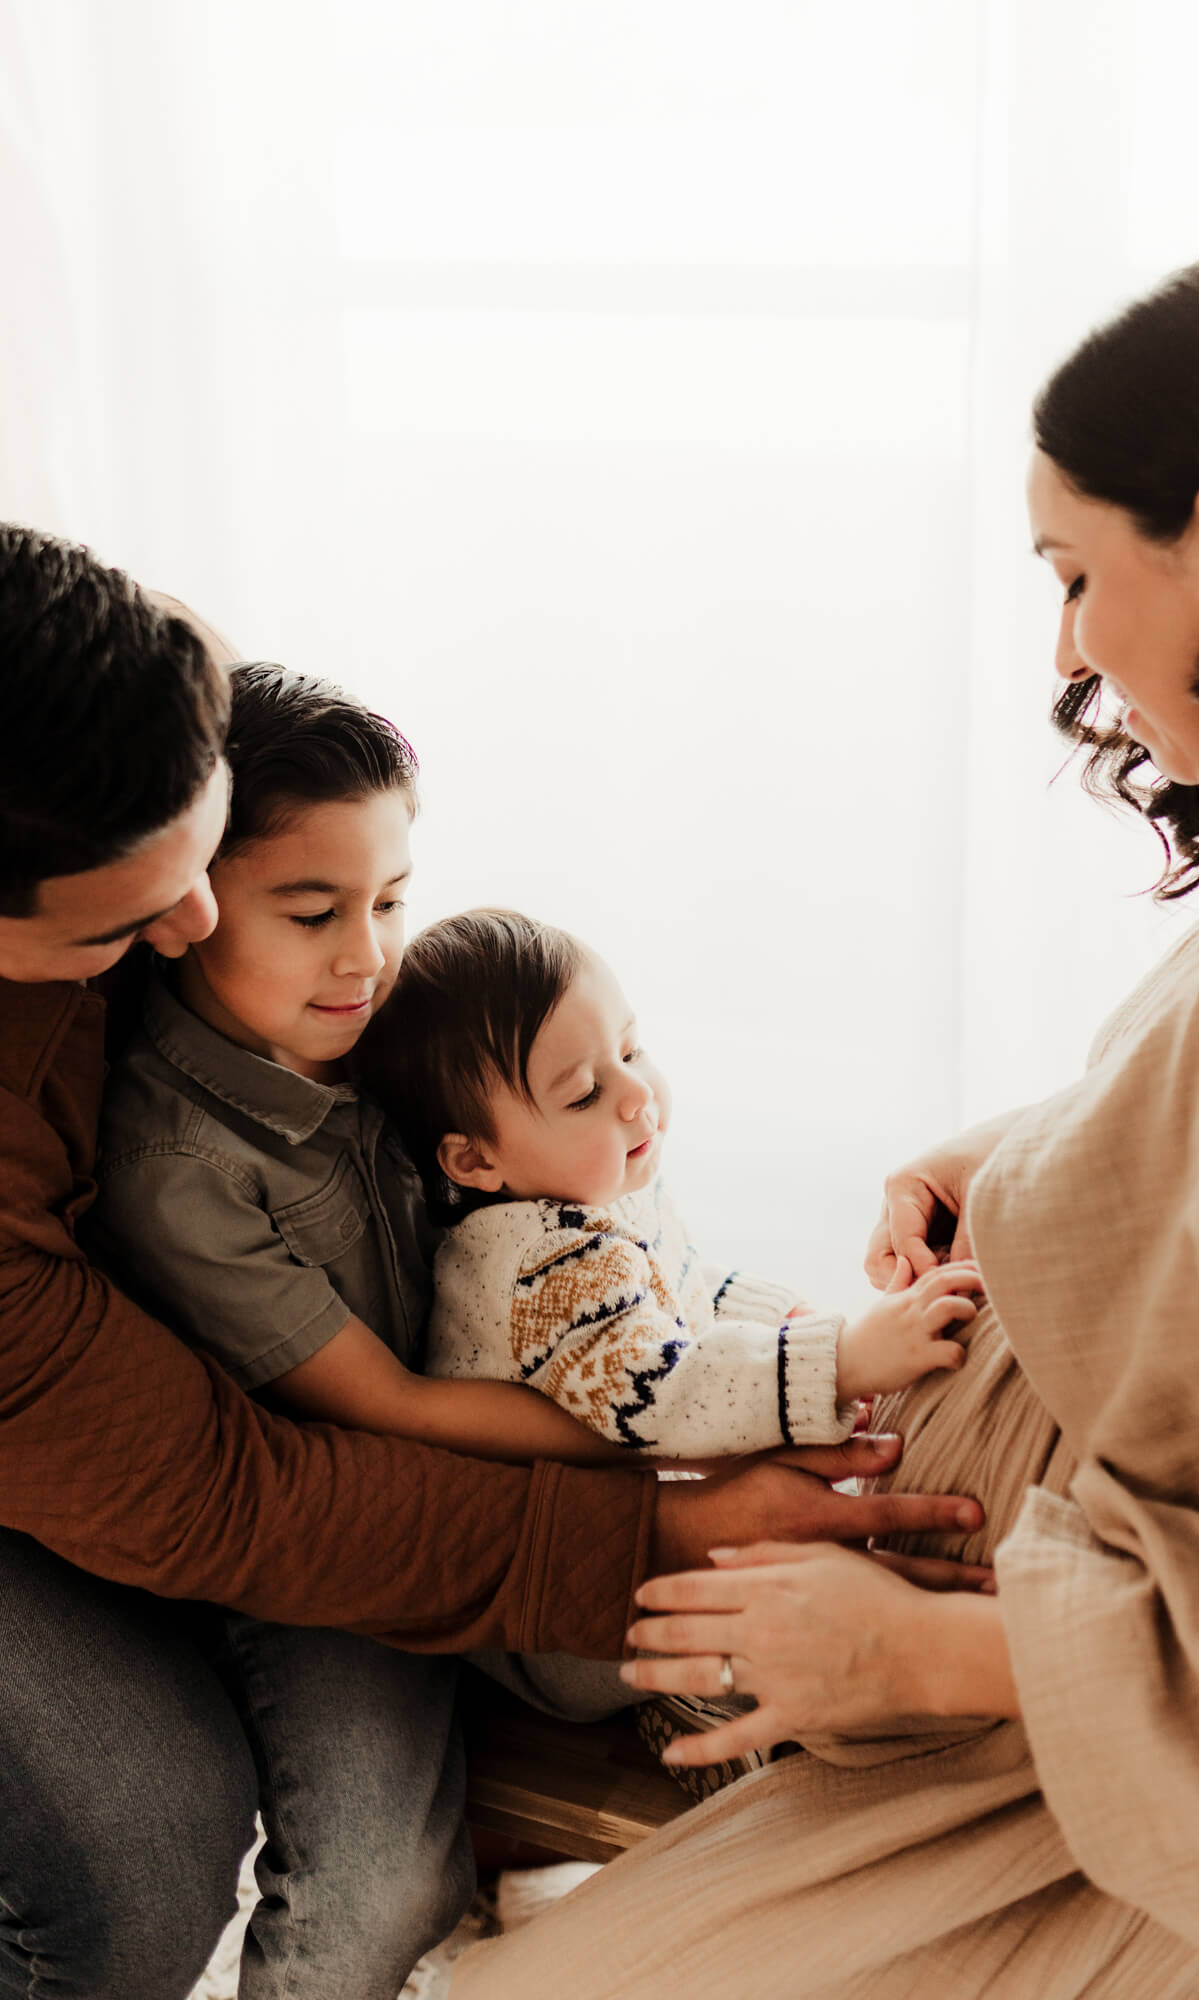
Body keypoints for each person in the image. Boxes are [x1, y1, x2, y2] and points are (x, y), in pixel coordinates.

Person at [447, 253, 1199, 1999]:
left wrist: (909, 1656)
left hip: (1017, 1694)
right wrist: (1017, 1158)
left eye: (1077, 574)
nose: (1069, 643)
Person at [0, 525, 987, 2000]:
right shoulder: (168, 1169)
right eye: (133, 919)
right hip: (205, 1474)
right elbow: (242, 1490)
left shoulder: (148, 722)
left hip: (243, 1453)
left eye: (205, 858)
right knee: (146, 1857)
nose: (189, 930)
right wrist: (664, 1501)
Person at [357, 906, 984, 1456]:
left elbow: (665, 1283)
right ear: (474, 1163)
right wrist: (842, 1363)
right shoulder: (542, 1265)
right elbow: (668, 1394)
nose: (636, 1095)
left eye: (630, 1052)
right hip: (562, 1528)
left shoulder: (595, 1189)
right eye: (584, 1095)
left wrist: (777, 1314)